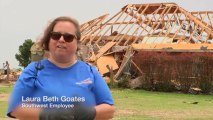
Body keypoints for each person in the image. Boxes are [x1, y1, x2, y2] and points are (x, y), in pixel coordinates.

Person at [7, 16, 115, 120]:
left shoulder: (91, 71)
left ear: (77, 43)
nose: (61, 40)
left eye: (68, 37)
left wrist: (88, 113)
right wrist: (49, 115)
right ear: (48, 40)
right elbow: (16, 109)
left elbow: (110, 109)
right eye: (56, 35)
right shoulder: (33, 71)